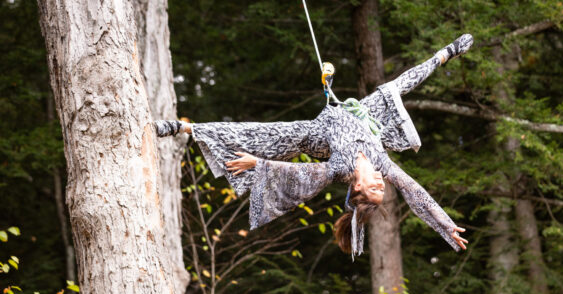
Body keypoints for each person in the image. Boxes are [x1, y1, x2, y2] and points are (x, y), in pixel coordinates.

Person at [156, 34, 473, 258]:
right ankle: (446, 52)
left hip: (318, 135)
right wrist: (447, 224)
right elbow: (417, 193)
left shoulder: (339, 169)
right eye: (382, 188)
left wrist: (257, 164)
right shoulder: (383, 164)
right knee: (394, 88)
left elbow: (302, 171)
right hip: (359, 115)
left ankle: (184, 128)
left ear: (357, 189)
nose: (380, 183)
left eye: (374, 189)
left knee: (266, 136)